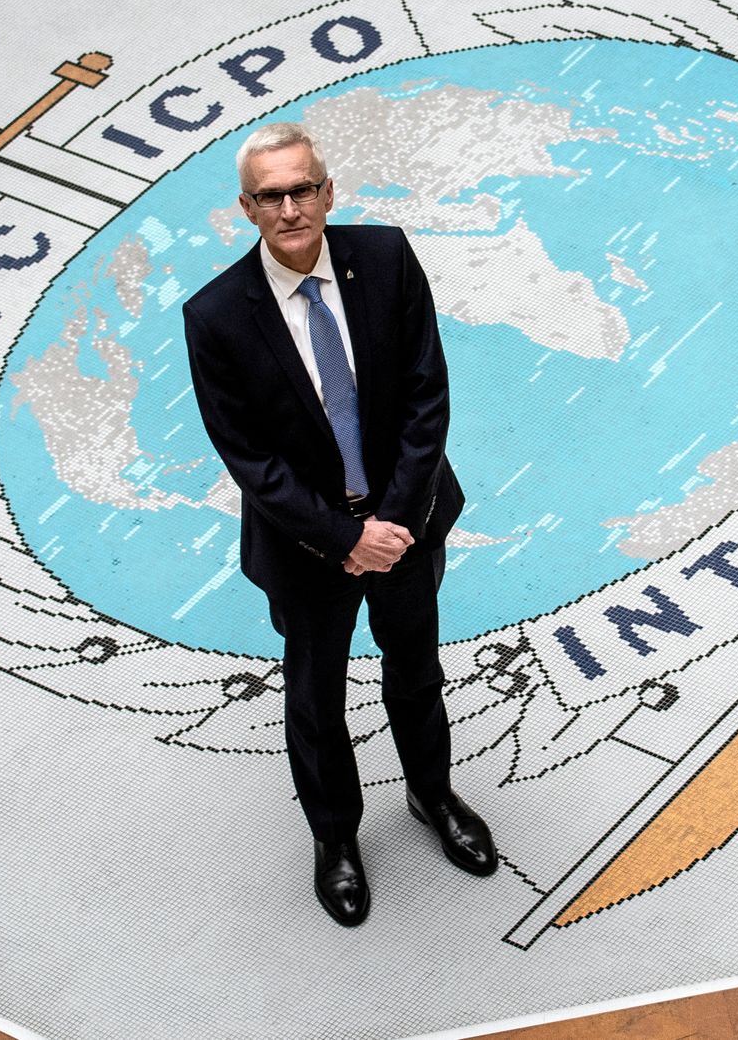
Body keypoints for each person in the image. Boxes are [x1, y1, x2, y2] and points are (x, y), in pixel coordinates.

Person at [181, 121, 496, 927]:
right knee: (317, 701)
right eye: (271, 196)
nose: (291, 208)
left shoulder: (385, 258)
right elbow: (249, 459)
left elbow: (427, 397)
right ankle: (337, 842)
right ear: (246, 207)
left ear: (328, 191)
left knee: (415, 667)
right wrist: (342, 537)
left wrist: (390, 522)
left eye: (302, 189)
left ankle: (433, 798)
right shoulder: (216, 316)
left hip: (407, 524)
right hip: (307, 546)